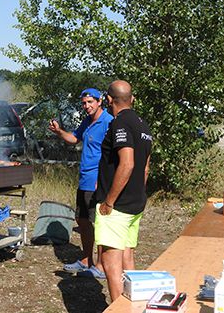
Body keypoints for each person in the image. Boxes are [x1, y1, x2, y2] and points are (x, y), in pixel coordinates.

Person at [94, 80, 152, 302]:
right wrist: (138, 192)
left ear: (109, 100)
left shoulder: (119, 124)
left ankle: (119, 307)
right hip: (136, 203)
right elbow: (145, 168)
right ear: (132, 99)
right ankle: (134, 304)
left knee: (110, 262)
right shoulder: (143, 125)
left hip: (117, 207)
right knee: (128, 256)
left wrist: (109, 201)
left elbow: (127, 164)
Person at [49, 88, 113, 279]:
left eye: (90, 102)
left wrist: (102, 181)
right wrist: (59, 131)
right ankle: (87, 259)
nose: (86, 106)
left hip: (97, 181)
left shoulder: (108, 122)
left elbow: (112, 155)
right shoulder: (87, 121)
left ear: (99, 101)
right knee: (82, 220)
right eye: (84, 103)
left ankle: (101, 267)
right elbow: (74, 138)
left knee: (100, 223)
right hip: (84, 179)